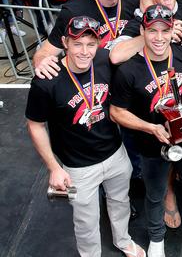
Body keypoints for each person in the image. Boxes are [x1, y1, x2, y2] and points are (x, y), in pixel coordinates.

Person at [25, 16, 146, 257]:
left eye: (90, 44)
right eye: (77, 44)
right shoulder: (46, 81)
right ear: (65, 43)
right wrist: (54, 168)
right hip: (78, 167)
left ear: (98, 44)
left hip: (115, 153)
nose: (84, 51)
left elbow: (125, 51)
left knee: (120, 202)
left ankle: (123, 240)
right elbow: (35, 126)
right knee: (86, 221)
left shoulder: (103, 60)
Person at [110, 4, 182, 257]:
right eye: (152, 31)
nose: (159, 38)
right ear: (142, 31)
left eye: (164, 30)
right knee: (155, 192)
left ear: (173, 30)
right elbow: (116, 112)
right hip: (152, 142)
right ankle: (156, 236)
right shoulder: (129, 70)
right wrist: (150, 127)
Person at [33, 0, 140, 79]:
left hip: (127, 81)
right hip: (93, 84)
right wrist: (42, 62)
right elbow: (44, 53)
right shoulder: (74, 10)